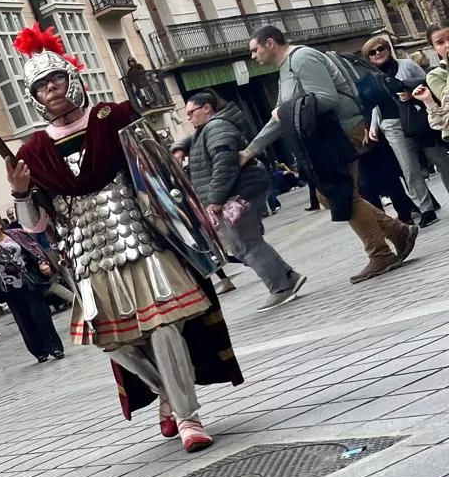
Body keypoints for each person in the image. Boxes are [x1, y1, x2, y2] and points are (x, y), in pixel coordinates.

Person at [9, 23, 241, 452]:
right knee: (112, 342)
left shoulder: (114, 117)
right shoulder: (32, 152)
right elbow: (34, 225)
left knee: (165, 326)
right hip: (88, 257)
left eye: (57, 79)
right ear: (35, 97)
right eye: (41, 86)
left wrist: (190, 228)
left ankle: (189, 417)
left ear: (72, 80)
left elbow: (157, 175)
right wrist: (20, 191)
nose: (52, 89)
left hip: (140, 239)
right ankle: (166, 392)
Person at [241, 25, 418, 283]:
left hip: (345, 130)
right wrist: (251, 149)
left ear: (270, 43)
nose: (253, 56)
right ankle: (397, 232)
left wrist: (287, 109)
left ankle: (381, 253)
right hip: (331, 137)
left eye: (254, 50)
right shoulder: (286, 68)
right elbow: (278, 118)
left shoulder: (302, 58)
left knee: (341, 193)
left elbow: (327, 98)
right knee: (332, 194)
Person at [184, 91, 306, 310]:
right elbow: (194, 141)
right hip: (236, 192)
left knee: (245, 245)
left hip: (234, 194)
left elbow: (224, 164)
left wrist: (216, 198)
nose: (189, 118)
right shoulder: (210, 127)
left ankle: (280, 288)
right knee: (248, 242)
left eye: (191, 112)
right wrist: (178, 147)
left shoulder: (216, 127)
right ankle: (288, 275)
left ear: (207, 108)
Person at [364, 34, 437, 225]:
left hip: (419, 117)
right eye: (373, 52)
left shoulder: (407, 65)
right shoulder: (371, 78)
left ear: (388, 49)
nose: (378, 53)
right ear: (368, 57)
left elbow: (426, 82)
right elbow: (374, 105)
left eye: (381, 49)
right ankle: (426, 209)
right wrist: (373, 126)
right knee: (409, 168)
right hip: (392, 124)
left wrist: (412, 95)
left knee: (439, 158)